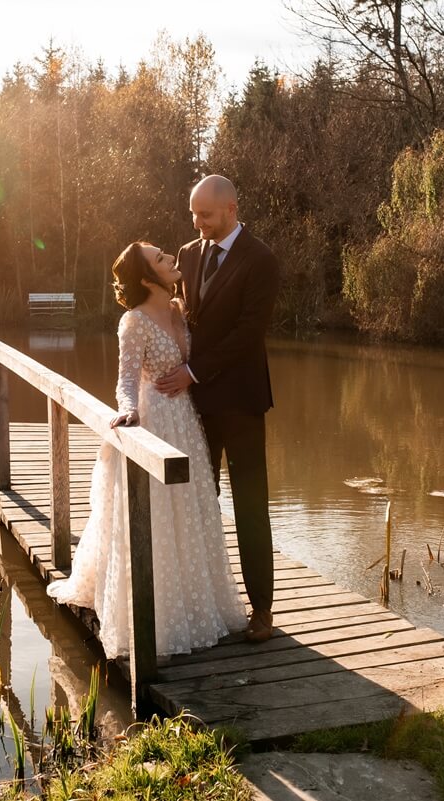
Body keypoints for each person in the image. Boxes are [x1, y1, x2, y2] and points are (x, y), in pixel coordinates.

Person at [46, 242, 246, 657]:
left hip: (187, 423)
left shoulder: (178, 308)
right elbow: (125, 378)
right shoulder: (133, 321)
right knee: (155, 515)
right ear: (145, 277)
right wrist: (128, 409)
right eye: (161, 259)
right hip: (155, 420)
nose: (172, 259)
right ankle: (157, 615)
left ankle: (197, 604)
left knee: (190, 512)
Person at [155, 175, 280, 643]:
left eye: (204, 214)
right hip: (196, 407)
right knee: (194, 504)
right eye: (193, 213)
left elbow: (247, 335)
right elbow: (187, 320)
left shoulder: (261, 260)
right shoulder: (188, 254)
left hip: (242, 402)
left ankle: (262, 611)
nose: (196, 222)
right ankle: (200, 601)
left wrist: (193, 371)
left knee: (251, 505)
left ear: (230, 208)